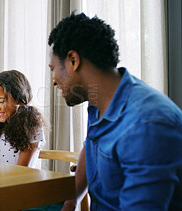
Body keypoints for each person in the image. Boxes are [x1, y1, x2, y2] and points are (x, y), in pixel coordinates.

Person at [48, 12, 182, 210]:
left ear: (73, 60)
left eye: (54, 69)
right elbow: (90, 146)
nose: (54, 80)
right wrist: (71, 201)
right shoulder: (98, 101)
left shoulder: (146, 124)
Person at [0, 70, 46, 168]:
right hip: (0, 181)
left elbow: (21, 171)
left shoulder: (30, 125)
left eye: (1, 101)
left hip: (21, 181)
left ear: (19, 100)